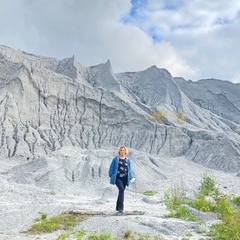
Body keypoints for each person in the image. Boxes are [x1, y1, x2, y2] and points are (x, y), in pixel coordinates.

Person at [108, 146, 134, 213]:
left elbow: (129, 170)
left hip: (125, 178)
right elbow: (111, 167)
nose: (122, 151)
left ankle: (117, 207)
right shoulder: (115, 159)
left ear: (125, 152)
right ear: (119, 151)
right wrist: (111, 175)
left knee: (121, 191)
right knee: (121, 189)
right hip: (117, 177)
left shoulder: (127, 160)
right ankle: (121, 208)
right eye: (121, 150)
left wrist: (131, 177)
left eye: (123, 150)